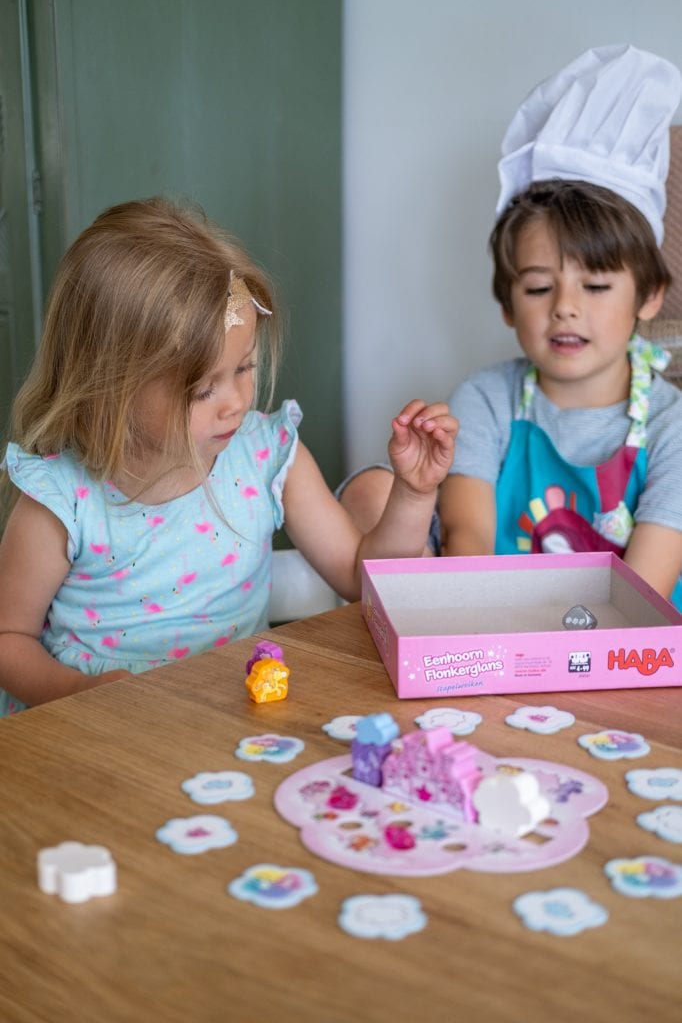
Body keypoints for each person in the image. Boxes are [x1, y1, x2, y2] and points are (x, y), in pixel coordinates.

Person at [0, 197, 457, 715]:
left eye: (245, 367)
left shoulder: (265, 455)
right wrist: (77, 695)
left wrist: (415, 492)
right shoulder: (62, 499)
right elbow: (9, 637)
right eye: (202, 390)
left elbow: (363, 578)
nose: (237, 402)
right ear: (110, 388)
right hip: (98, 736)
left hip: (230, 725)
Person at [340, 45, 682, 610]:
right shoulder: (485, 401)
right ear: (506, 302)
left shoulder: (672, 427)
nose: (565, 308)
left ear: (649, 297)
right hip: (500, 629)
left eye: (595, 287)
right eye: (539, 288)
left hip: (629, 650)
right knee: (368, 490)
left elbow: (647, 584)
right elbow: (466, 542)